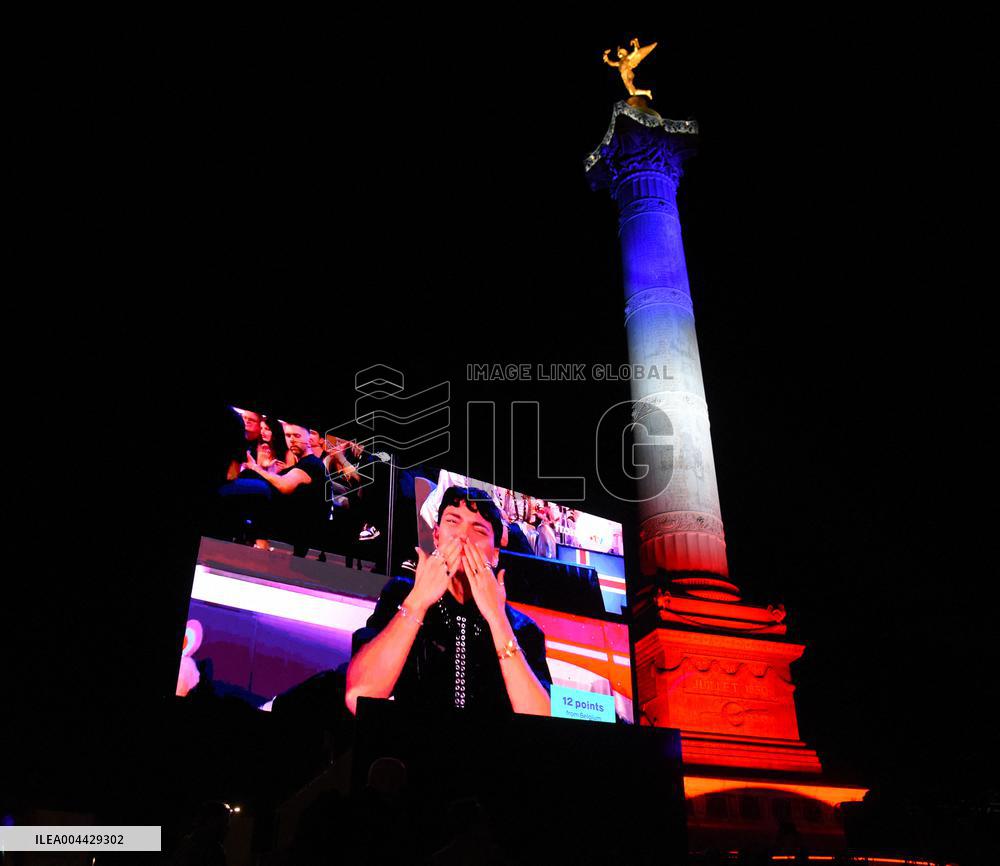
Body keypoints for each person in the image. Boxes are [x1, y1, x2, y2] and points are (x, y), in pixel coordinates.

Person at [345, 486, 551, 717]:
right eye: (453, 522)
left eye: (479, 530)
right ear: (436, 536)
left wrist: (497, 619)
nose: (463, 537)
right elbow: (359, 696)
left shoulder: (523, 628)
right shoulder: (401, 595)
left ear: (495, 555)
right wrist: (418, 602)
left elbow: (540, 722)